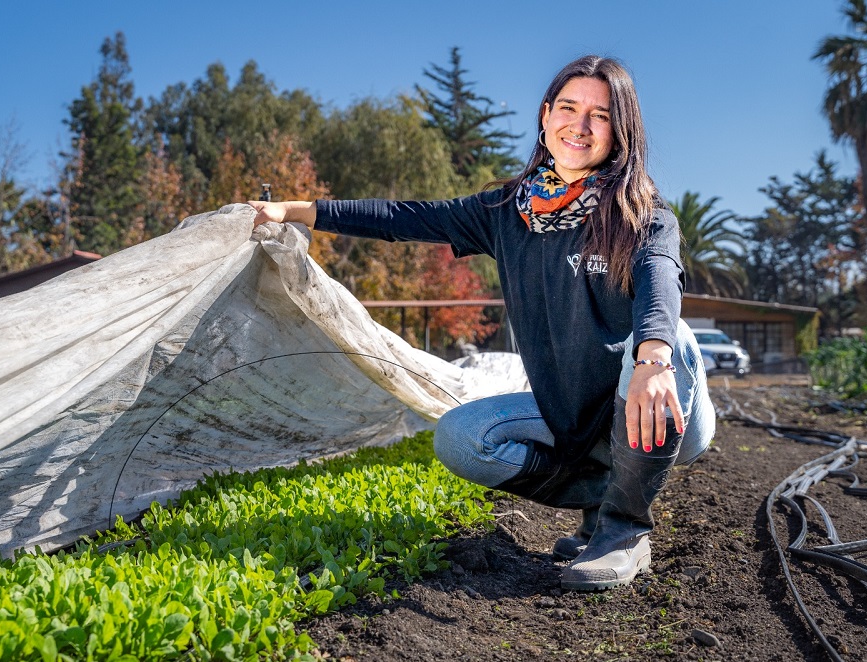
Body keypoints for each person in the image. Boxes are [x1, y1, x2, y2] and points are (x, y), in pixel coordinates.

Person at [249, 55, 716, 591]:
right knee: (461, 438)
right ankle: (603, 495)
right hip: (570, 409)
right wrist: (298, 210)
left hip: (660, 406)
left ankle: (623, 531)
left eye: (601, 114)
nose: (580, 126)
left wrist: (652, 357)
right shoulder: (505, 211)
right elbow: (407, 218)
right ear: (545, 116)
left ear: (621, 130)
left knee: (668, 338)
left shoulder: (643, 214)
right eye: (569, 107)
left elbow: (660, 278)